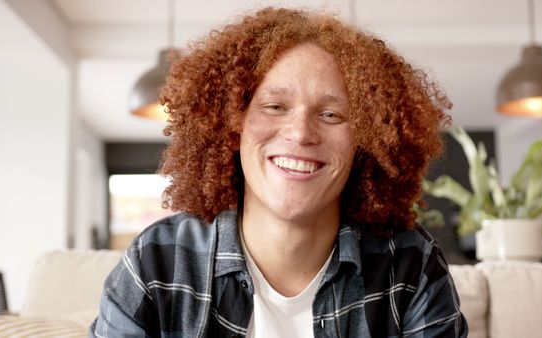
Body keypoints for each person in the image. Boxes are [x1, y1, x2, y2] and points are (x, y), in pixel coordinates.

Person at [90, 7, 467, 338]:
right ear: (232, 126)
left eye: (331, 114)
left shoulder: (411, 265)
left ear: (365, 142)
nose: (301, 133)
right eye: (274, 106)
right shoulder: (157, 262)